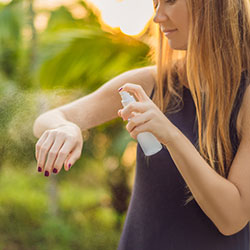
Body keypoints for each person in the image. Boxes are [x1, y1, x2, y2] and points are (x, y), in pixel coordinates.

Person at [33, 0, 250, 249]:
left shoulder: (245, 98)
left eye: (169, 2)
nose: (157, 17)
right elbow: (48, 119)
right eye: (155, 4)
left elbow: (232, 219)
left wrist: (170, 134)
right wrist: (67, 127)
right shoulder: (154, 84)